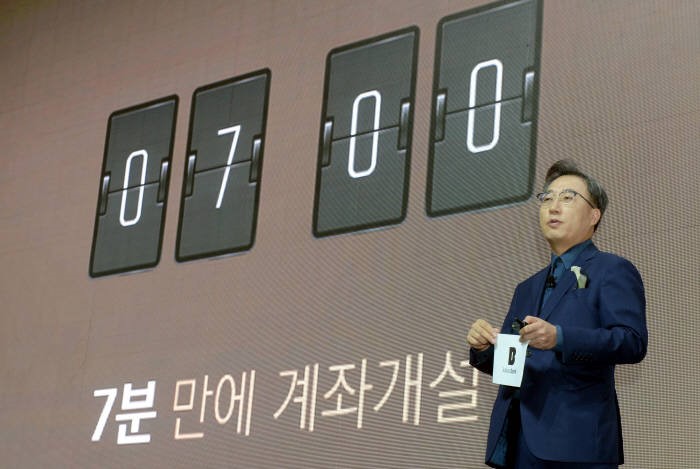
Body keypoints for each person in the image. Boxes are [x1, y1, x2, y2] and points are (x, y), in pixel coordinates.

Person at [466, 160, 648, 468]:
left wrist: (559, 338)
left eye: (567, 198)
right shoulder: (527, 287)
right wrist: (484, 349)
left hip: (577, 443)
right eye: (547, 198)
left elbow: (631, 342)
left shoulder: (611, 270)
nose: (553, 206)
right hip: (518, 443)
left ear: (594, 215)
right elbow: (512, 365)